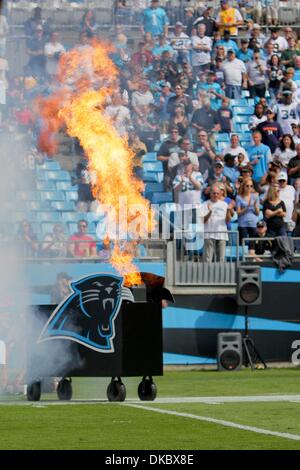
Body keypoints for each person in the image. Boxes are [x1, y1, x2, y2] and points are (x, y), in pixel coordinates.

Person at [202, 184, 232, 262]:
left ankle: (220, 274)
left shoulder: (224, 204)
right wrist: (210, 212)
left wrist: (228, 211)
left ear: (220, 194)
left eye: (217, 193)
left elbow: (228, 221)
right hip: (209, 235)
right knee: (207, 259)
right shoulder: (205, 204)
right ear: (210, 193)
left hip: (222, 235)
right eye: (214, 193)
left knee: (221, 259)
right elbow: (203, 220)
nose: (215, 195)